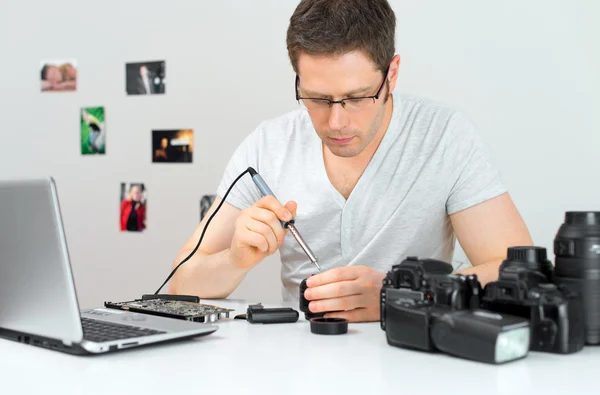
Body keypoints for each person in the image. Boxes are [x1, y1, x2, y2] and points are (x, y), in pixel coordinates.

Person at [168, 0, 533, 322]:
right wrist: (235, 260)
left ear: (392, 73)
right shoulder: (268, 145)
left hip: (415, 358)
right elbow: (181, 284)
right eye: (317, 98)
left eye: (358, 97)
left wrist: (401, 294)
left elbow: (518, 272)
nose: (336, 123)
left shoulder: (444, 135)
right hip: (299, 362)